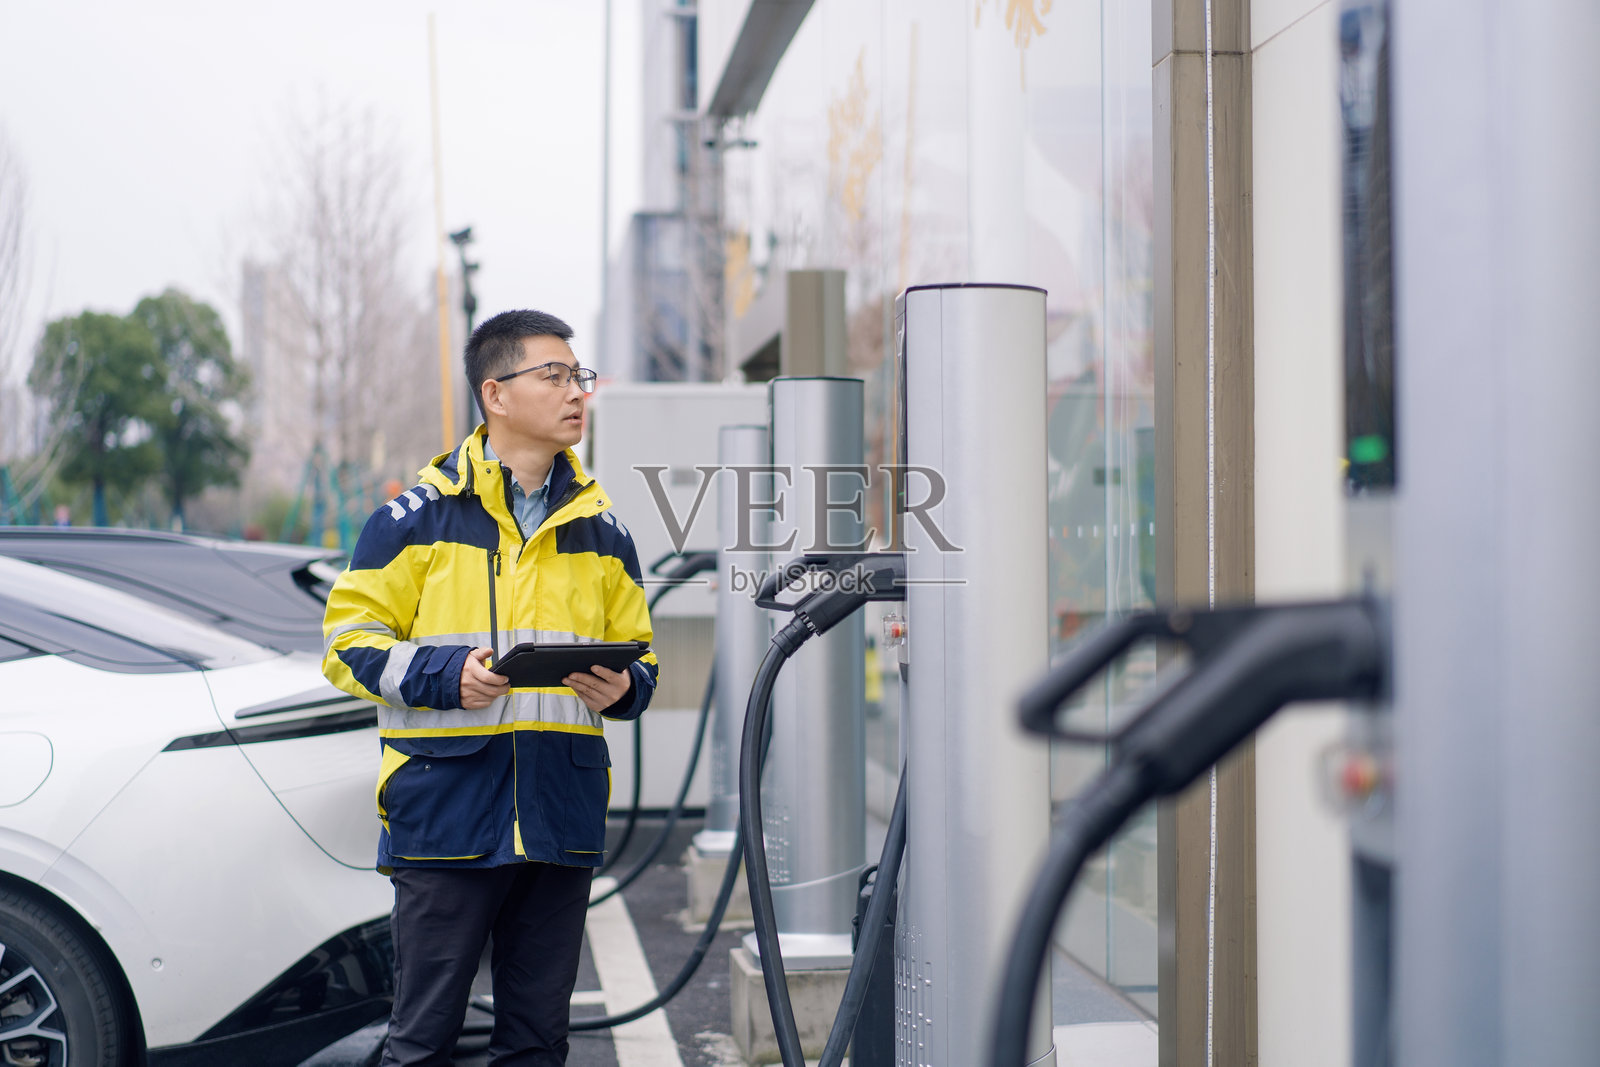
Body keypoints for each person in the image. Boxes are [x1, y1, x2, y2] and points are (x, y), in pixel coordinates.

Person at [321, 309, 657, 1066]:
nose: (577, 392)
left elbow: (644, 662)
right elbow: (346, 646)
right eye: (556, 375)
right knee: (423, 1039)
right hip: (446, 816)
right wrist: (450, 676)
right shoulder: (413, 519)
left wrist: (623, 687)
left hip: (559, 817)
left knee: (538, 1041)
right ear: (496, 394)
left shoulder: (605, 532)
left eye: (580, 376)